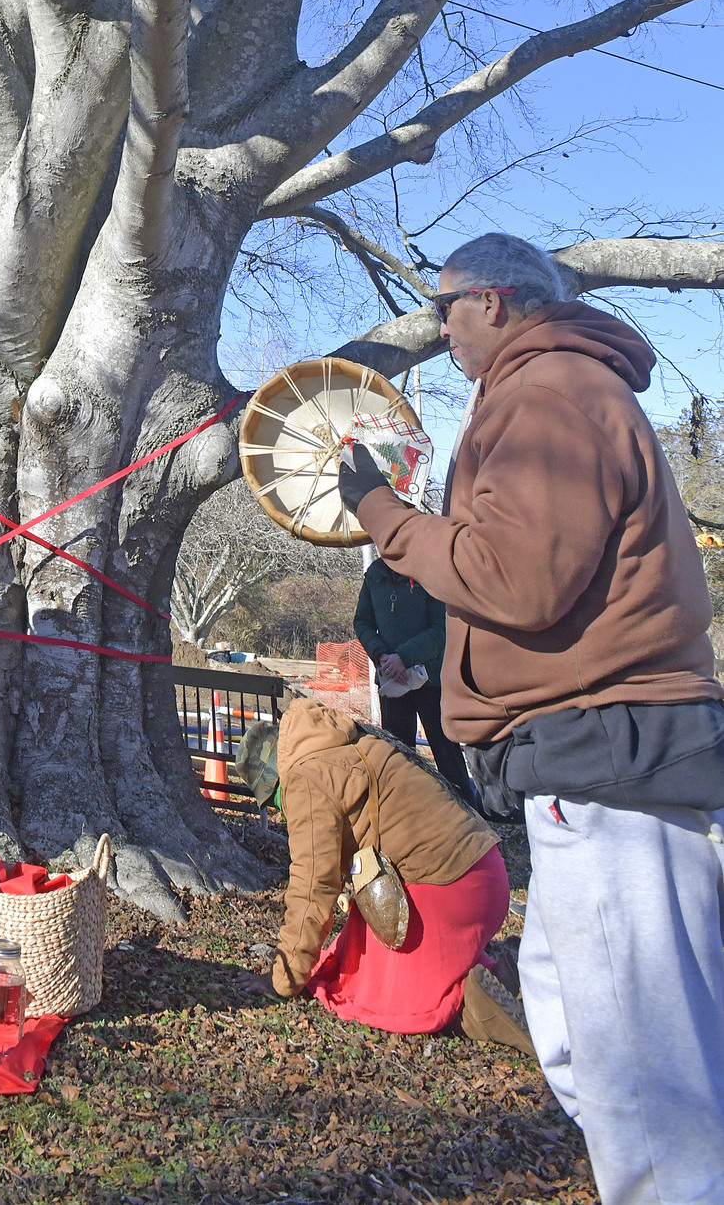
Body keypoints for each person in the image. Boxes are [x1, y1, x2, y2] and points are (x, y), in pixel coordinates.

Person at [337, 231, 724, 1205]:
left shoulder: (549, 394)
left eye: (444, 308)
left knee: (642, 1069)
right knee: (567, 1018)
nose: (438, 329)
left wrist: (384, 513)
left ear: (496, 301)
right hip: (579, 765)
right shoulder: (546, 392)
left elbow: (513, 579)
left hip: (610, 761)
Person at [237, 700, 526, 1047]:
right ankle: (503, 971)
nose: (280, 811)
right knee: (346, 964)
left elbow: (313, 886)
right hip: (482, 875)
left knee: (381, 997)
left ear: (274, 780)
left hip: (449, 889)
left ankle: (479, 1006)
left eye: (273, 800)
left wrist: (282, 979)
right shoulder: (338, 742)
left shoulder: (303, 776)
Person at [353, 558, 475, 799]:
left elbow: (441, 628)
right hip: (391, 681)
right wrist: (382, 656)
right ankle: (405, 816)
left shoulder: (429, 571)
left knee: (448, 756)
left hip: (430, 681)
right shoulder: (374, 574)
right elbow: (362, 622)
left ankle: (469, 815)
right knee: (398, 758)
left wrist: (405, 657)